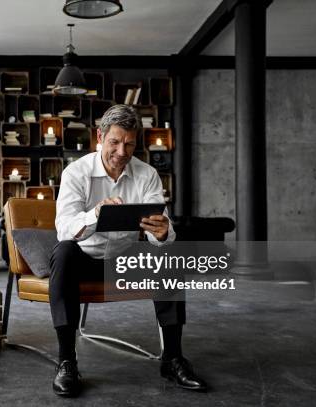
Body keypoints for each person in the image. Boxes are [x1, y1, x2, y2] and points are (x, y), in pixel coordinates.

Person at [50, 104, 207, 397]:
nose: (122, 151)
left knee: (171, 254)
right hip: (85, 257)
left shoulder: (147, 175)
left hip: (125, 258)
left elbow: (163, 230)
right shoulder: (76, 173)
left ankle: (172, 358)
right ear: (100, 136)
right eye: (115, 142)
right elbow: (64, 229)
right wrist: (95, 214)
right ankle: (66, 361)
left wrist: (163, 232)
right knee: (63, 252)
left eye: (130, 144)